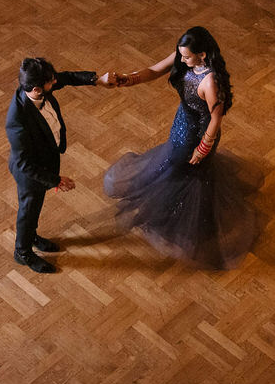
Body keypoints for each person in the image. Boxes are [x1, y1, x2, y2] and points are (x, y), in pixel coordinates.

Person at [103, 27, 259, 270]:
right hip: (182, 124)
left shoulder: (211, 82)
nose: (182, 60)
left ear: (203, 55)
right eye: (181, 55)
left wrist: (203, 148)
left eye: (186, 56)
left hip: (197, 137)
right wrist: (129, 79)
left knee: (187, 172)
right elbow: (155, 70)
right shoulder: (185, 59)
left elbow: (215, 119)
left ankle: (190, 221)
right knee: (174, 165)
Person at [7, 57, 115, 274]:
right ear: (37, 88)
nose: (54, 82)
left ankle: (32, 236)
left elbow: (66, 77)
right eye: (50, 82)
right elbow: (24, 164)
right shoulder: (17, 120)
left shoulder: (38, 90)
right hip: (31, 173)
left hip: (44, 162)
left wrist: (97, 80)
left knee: (34, 208)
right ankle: (23, 252)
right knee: (28, 210)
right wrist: (56, 180)